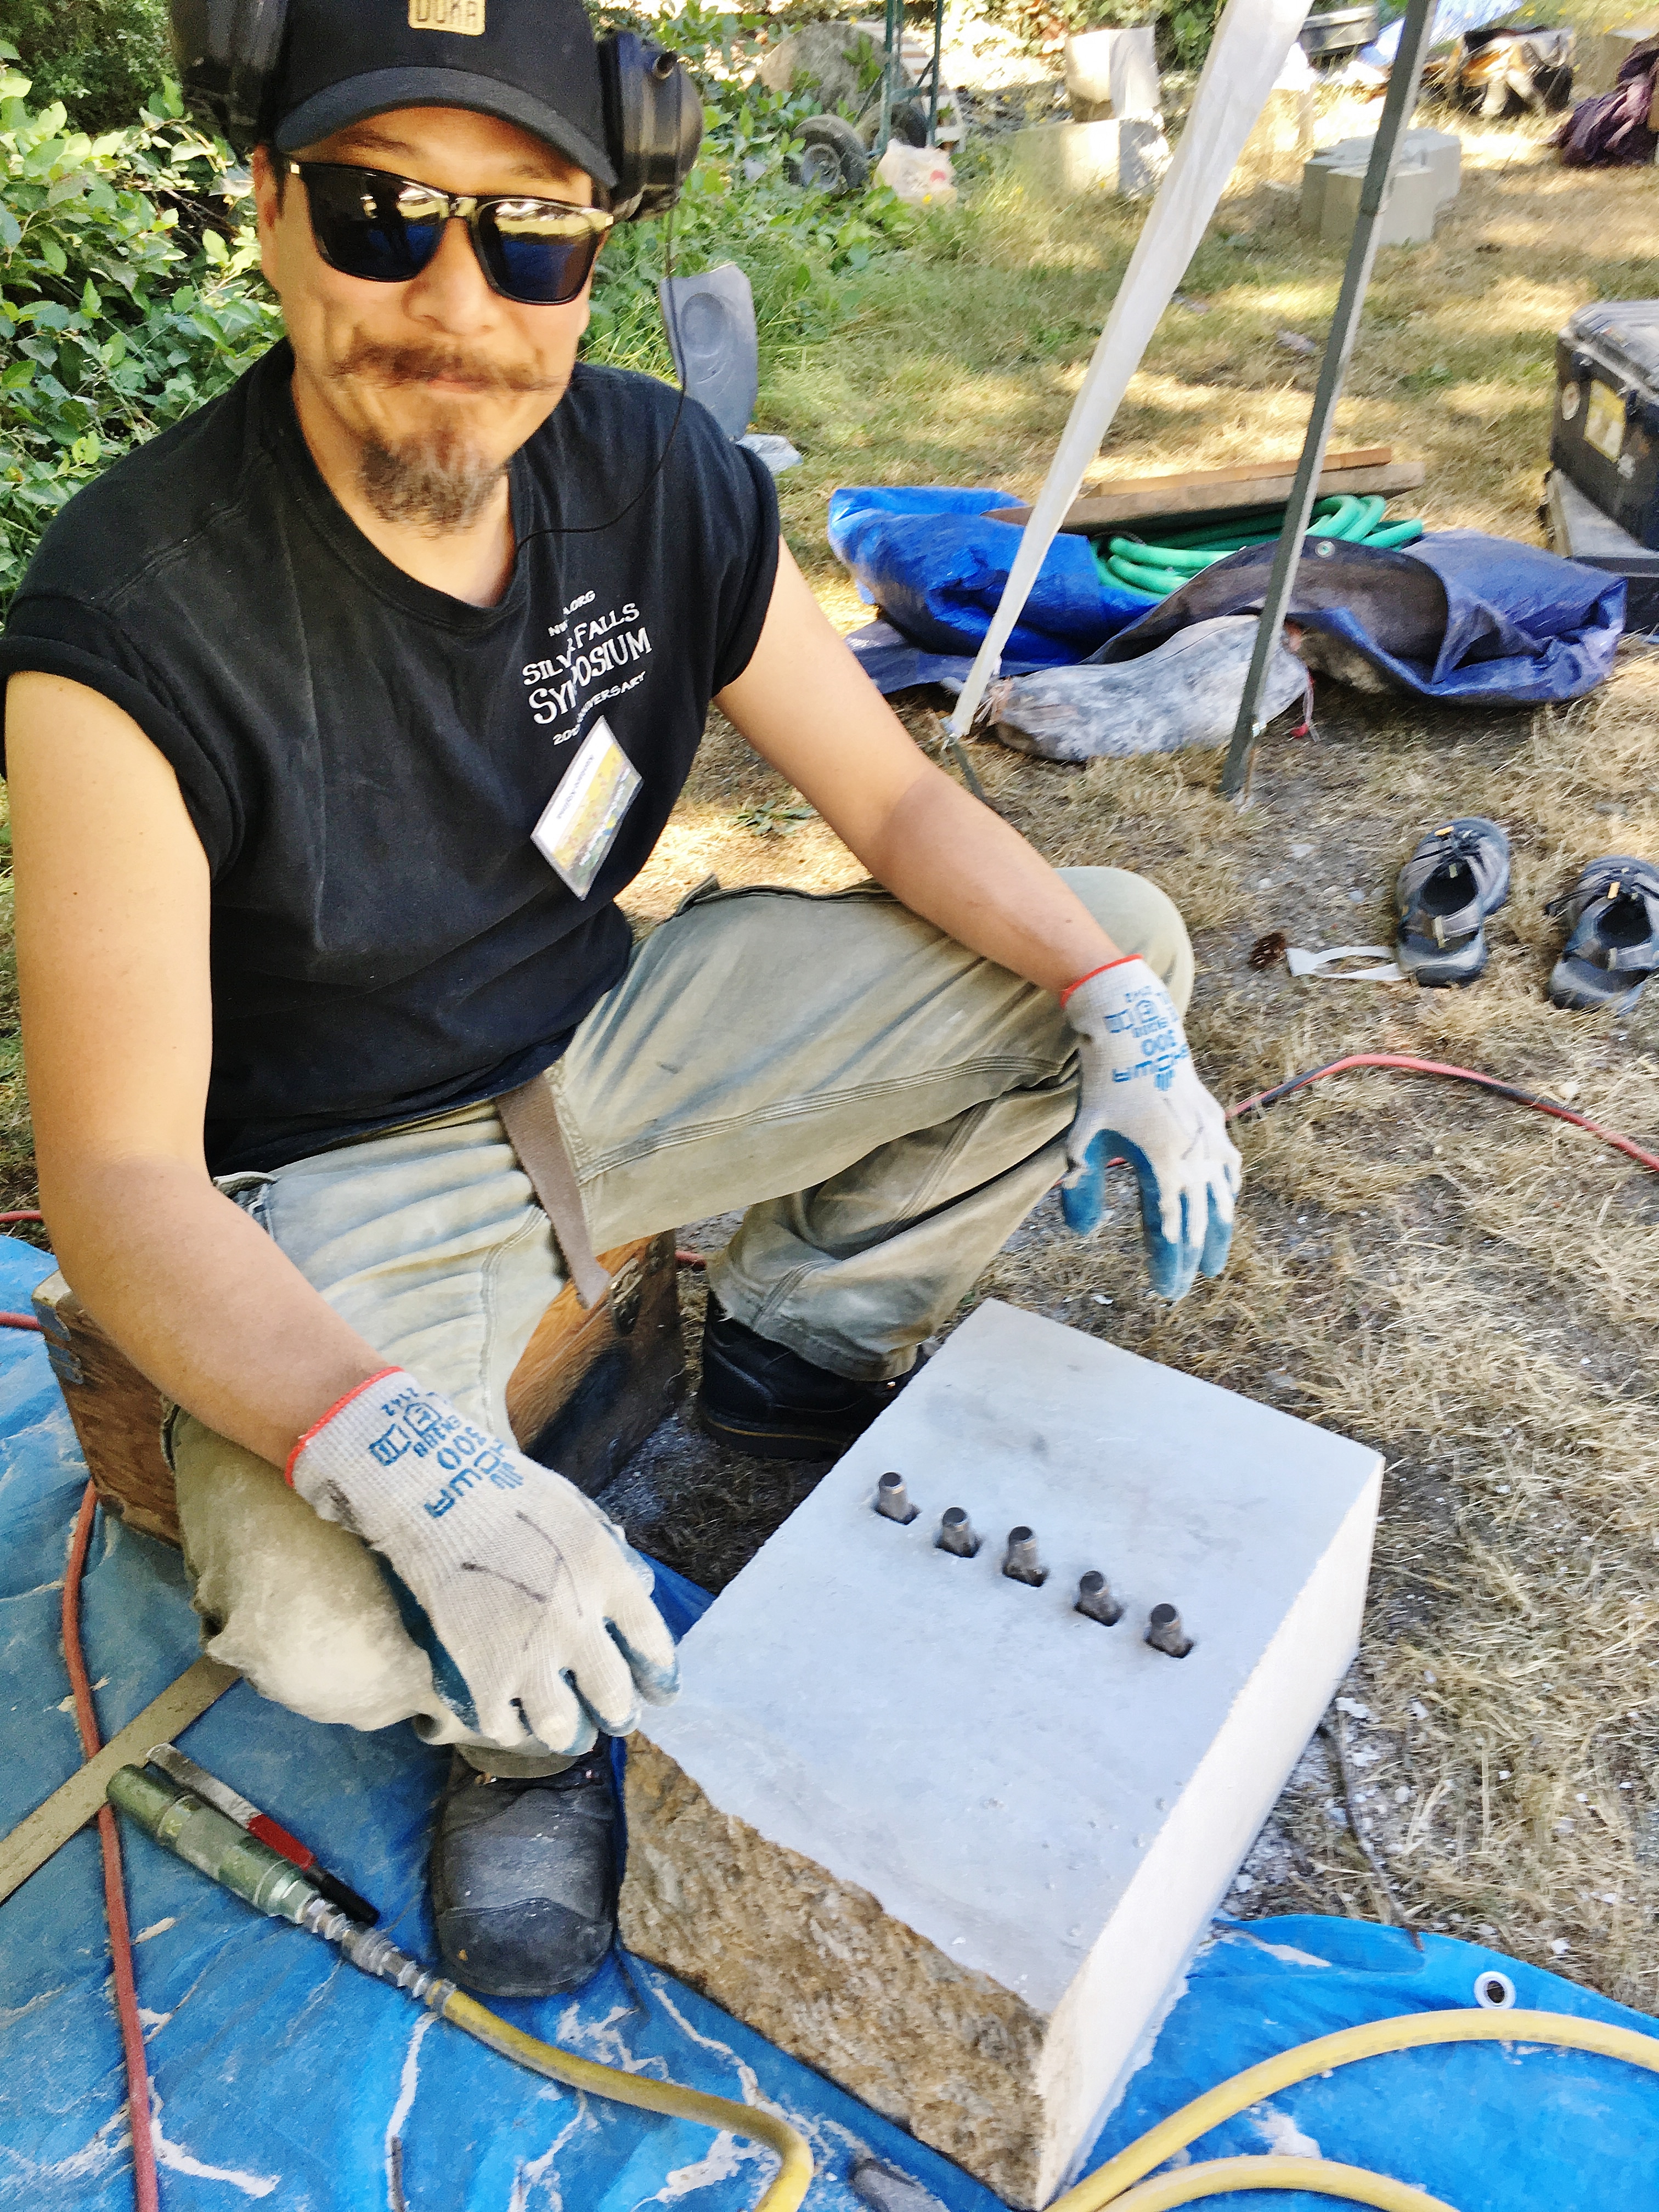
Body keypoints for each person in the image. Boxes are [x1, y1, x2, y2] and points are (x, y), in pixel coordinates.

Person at [0, 0, 1240, 1999]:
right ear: (264, 209)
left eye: (532, 233)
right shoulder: (129, 622)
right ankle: (524, 1736)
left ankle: (798, 1342)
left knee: (1108, 941)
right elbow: (121, 1174)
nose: (456, 300)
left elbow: (899, 797)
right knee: (315, 1622)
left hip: (612, 1046)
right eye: (381, 214)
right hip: (339, 1173)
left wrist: (1115, 1007)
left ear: (599, 250)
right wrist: (392, 1451)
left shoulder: (656, 477)